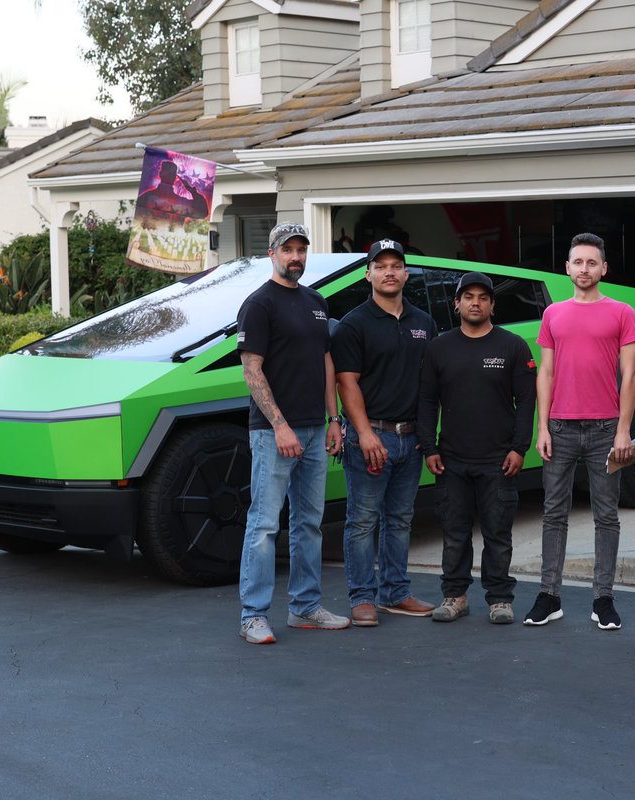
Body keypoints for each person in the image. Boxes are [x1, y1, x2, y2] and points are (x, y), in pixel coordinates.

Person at [236, 222, 347, 645]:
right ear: (272, 254)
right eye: (288, 249)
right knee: (264, 525)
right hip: (272, 433)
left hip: (316, 430)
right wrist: (280, 425)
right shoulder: (259, 304)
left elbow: (325, 363)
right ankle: (253, 615)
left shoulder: (316, 302)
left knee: (310, 523)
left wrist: (333, 420)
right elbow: (252, 369)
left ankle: (305, 607)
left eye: (301, 249)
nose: (295, 256)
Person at [523, 232, 635, 631]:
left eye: (592, 262)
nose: (584, 269)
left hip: (607, 428)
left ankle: (602, 599)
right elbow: (546, 373)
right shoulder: (553, 313)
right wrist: (543, 426)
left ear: (603, 269)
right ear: (567, 268)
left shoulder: (623, 312)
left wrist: (624, 430)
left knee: (606, 516)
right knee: (553, 514)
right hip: (560, 426)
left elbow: (629, 376)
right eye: (578, 262)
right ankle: (548, 595)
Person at [417, 272, 537, 625]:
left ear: (492, 305)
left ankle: (500, 599)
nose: (475, 302)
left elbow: (527, 400)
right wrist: (429, 447)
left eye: (483, 297)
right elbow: (426, 401)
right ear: (456, 304)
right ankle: (455, 596)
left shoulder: (512, 346)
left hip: (499, 461)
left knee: (498, 534)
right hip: (451, 460)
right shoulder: (439, 347)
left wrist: (519, 448)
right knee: (454, 534)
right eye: (467, 296)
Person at [331, 239, 438, 626]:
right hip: (370, 438)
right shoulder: (353, 324)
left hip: (411, 439)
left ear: (406, 273)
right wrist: (364, 433)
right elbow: (347, 383)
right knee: (362, 520)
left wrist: (427, 438)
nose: (389, 271)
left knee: (400, 519)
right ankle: (362, 597)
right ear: (368, 274)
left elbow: (430, 386)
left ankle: (396, 592)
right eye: (381, 266)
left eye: (396, 265)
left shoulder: (424, 323)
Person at [137, 160, 210, 219]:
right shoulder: (182, 202)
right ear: (175, 178)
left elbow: (203, 213)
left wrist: (191, 190)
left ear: (160, 174)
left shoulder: (146, 197)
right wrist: (191, 189)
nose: (169, 176)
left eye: (171, 174)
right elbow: (203, 212)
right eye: (170, 174)